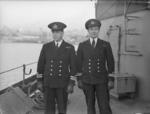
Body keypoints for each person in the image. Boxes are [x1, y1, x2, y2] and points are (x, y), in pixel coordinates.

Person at [36, 22, 76, 114]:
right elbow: (40, 65)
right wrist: (39, 81)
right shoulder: (46, 47)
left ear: (62, 33)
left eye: (57, 32)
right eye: (53, 32)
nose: (55, 34)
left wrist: (71, 83)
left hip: (62, 84)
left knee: (62, 109)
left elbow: (73, 68)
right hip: (48, 83)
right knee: (49, 110)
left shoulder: (70, 47)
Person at [76, 19, 114, 114]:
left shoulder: (105, 45)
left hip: (102, 80)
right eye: (91, 29)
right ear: (88, 31)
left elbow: (110, 63)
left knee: (104, 105)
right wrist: (79, 79)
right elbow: (78, 63)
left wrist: (111, 79)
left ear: (99, 30)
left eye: (96, 29)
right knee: (90, 105)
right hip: (87, 80)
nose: (93, 31)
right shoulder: (82, 45)